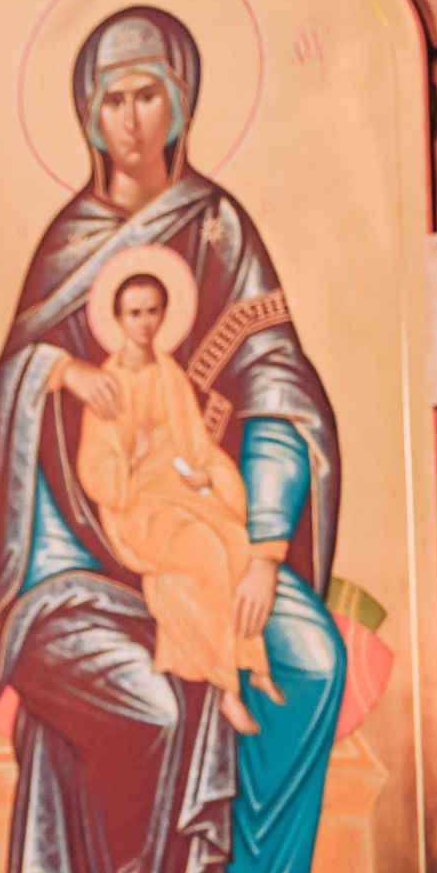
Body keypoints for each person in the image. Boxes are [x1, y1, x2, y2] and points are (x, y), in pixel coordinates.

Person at [0, 4, 344, 873]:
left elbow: (275, 386)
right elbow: (15, 392)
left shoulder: (216, 230)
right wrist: (51, 372)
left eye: (148, 95)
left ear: (181, 101)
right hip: (69, 566)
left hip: (208, 536)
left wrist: (264, 547)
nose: (131, 119)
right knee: (153, 701)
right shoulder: (67, 245)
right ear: (88, 115)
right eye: (112, 99)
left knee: (312, 659)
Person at [73, 261, 277, 736]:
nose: (145, 323)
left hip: (179, 490)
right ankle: (228, 689)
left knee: (235, 539)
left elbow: (196, 447)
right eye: (134, 313)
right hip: (137, 508)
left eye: (153, 312)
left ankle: (254, 663)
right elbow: (95, 469)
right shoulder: (108, 385)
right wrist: (132, 458)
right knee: (207, 548)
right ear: (117, 319)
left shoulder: (169, 374)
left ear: (164, 315)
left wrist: (208, 478)